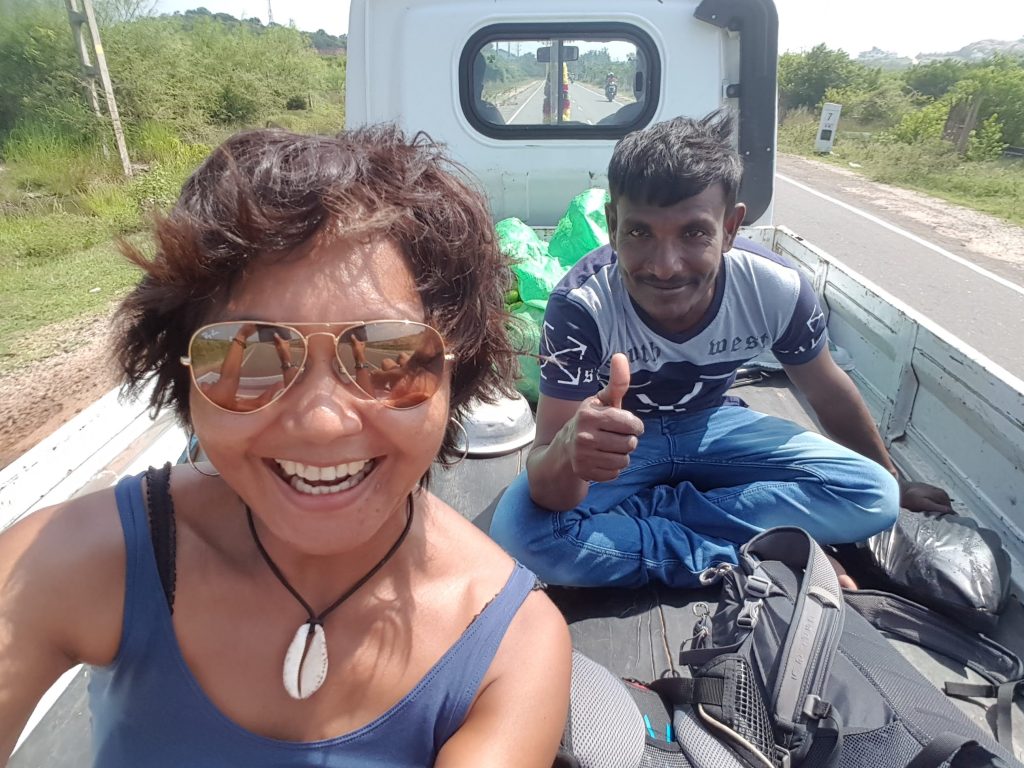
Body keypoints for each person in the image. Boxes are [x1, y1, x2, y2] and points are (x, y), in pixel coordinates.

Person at [0, 126, 571, 766]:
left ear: (454, 374)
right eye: (250, 358)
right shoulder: (81, 562)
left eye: (387, 357)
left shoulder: (508, 648)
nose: (322, 422)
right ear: (185, 376)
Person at [490, 110, 951, 590]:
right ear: (612, 224)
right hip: (627, 447)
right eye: (639, 232)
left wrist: (897, 483)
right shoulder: (582, 305)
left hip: (712, 426)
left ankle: (652, 512)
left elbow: (828, 391)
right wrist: (570, 450)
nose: (665, 267)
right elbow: (546, 466)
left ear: (730, 228)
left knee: (872, 495)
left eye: (694, 233)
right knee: (522, 534)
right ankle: (745, 553)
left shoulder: (775, 288)